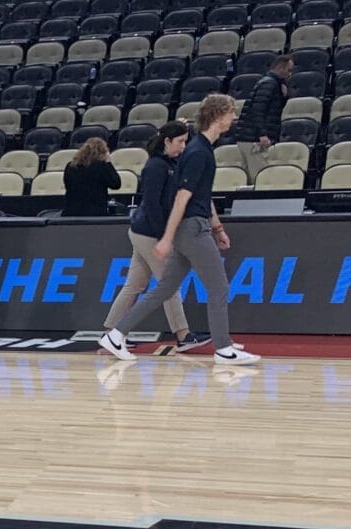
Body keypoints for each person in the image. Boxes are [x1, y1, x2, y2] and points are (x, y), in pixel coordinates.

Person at [99, 94, 261, 366]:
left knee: (164, 289)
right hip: (191, 229)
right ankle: (223, 348)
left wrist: (218, 228)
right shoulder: (198, 152)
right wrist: (166, 238)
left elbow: (202, 194)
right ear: (219, 116)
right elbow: (182, 198)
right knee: (219, 286)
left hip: (193, 227)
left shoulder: (200, 148)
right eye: (231, 113)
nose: (234, 118)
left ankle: (115, 334)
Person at [102, 122, 201, 352]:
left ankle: (110, 334)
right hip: (148, 232)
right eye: (180, 142)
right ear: (167, 141)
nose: (184, 146)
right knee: (169, 284)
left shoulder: (171, 163)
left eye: (186, 141)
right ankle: (183, 335)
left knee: (134, 285)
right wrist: (163, 237)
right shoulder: (156, 166)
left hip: (143, 231)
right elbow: (153, 205)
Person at [234, 55, 291, 181]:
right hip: (253, 138)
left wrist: (284, 96)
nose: (290, 74)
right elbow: (257, 110)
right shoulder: (269, 83)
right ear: (281, 68)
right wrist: (262, 134)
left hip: (248, 137)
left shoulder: (271, 83)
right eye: (289, 70)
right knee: (260, 178)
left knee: (249, 179)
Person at [60, 138, 121, 217]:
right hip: (96, 214)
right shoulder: (101, 166)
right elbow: (116, 184)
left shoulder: (71, 166)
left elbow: (67, 184)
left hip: (71, 212)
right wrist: (108, 163)